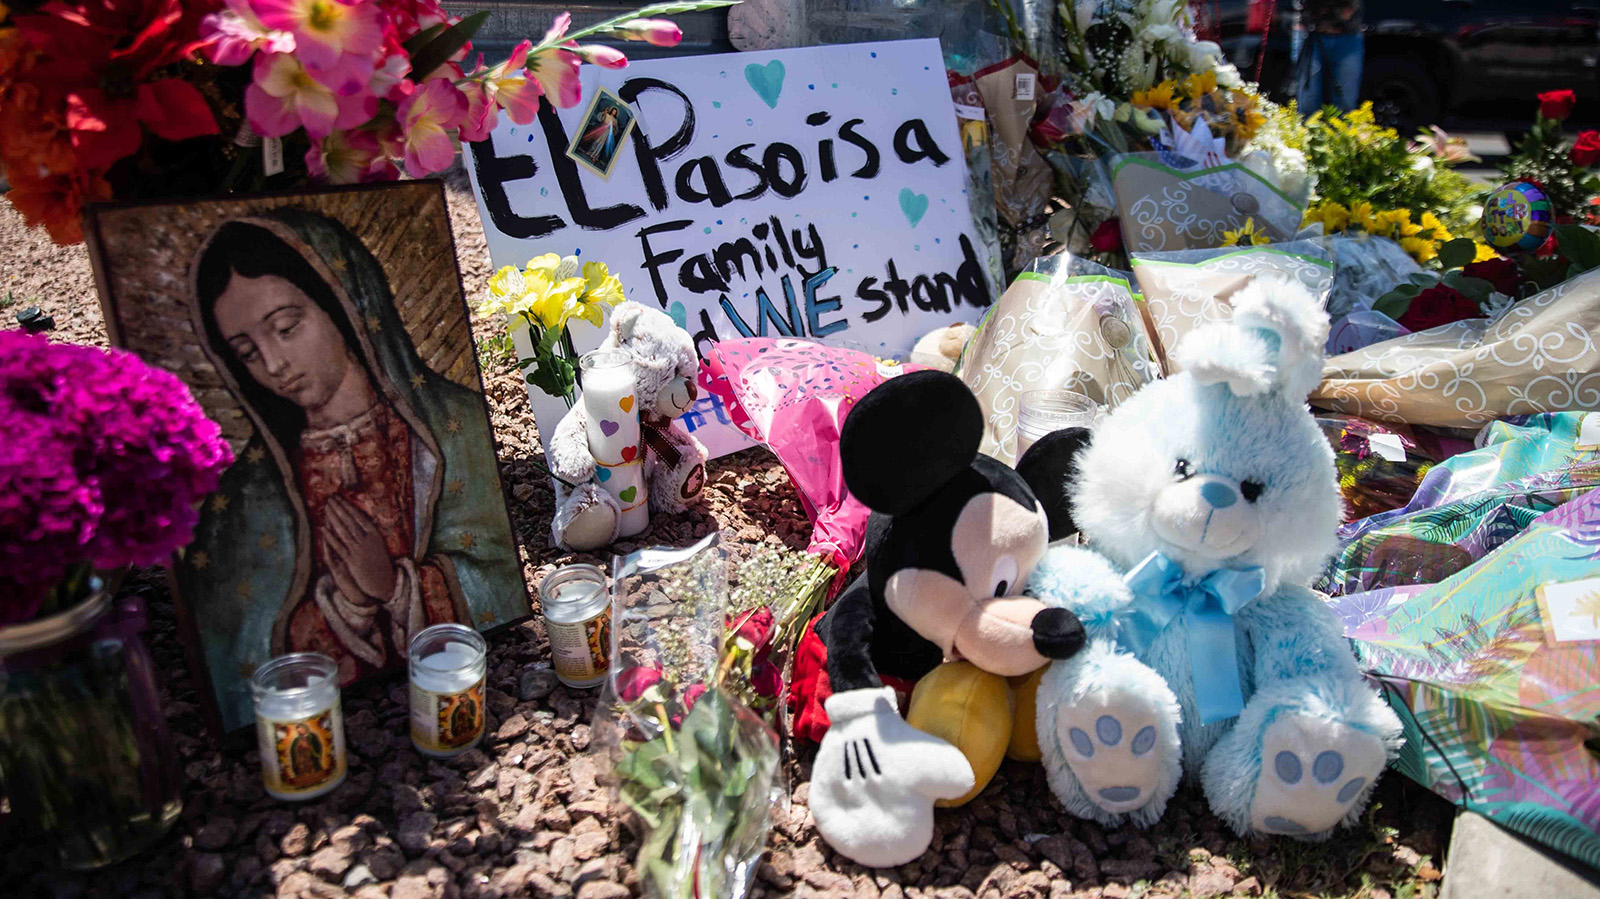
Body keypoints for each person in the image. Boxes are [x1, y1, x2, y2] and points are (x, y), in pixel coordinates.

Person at [184, 210, 524, 730]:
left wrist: (396, 587)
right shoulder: (246, 500)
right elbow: (242, 651)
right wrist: (351, 604)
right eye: (248, 352)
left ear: (344, 305)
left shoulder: (456, 426)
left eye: (286, 327)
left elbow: (496, 572)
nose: (273, 365)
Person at [1291, 0, 1363, 113]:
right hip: (1310, 33)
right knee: (1308, 102)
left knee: (1345, 104)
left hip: (1348, 34)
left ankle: (1341, 130)